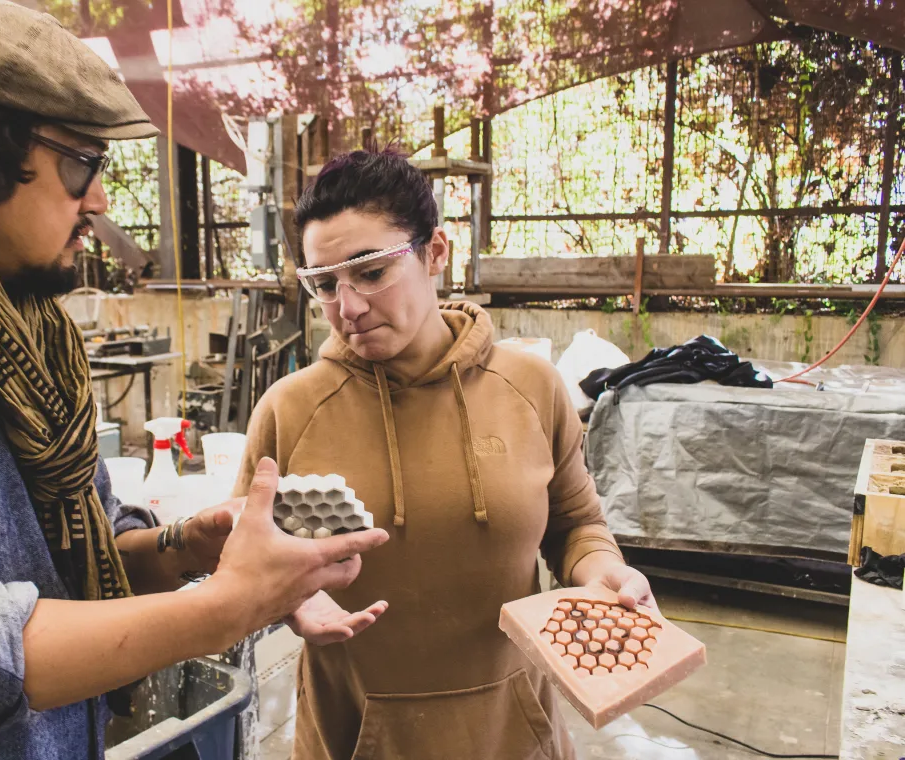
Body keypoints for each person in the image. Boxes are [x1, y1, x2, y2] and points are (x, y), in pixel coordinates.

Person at [0, 3, 388, 759]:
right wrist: (225, 609)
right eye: (79, 165)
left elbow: (79, 545)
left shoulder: (16, 320)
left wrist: (188, 547)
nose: (98, 200)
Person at [233, 147, 657, 759]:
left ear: (435, 253)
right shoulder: (290, 410)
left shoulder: (530, 389)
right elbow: (243, 563)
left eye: (371, 271)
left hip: (511, 731)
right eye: (325, 285)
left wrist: (604, 573)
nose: (347, 308)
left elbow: (575, 526)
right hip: (355, 733)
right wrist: (293, 600)